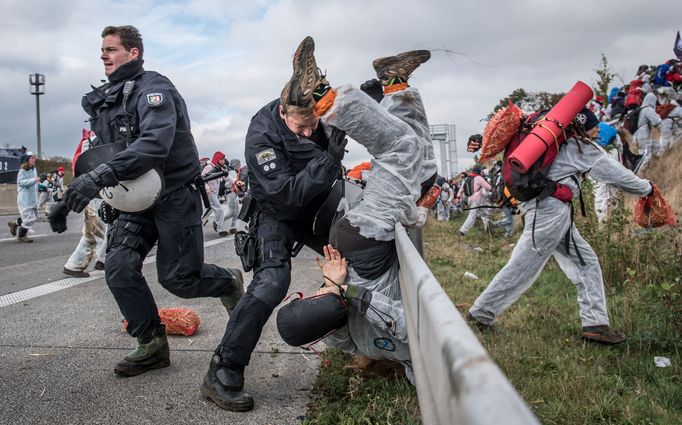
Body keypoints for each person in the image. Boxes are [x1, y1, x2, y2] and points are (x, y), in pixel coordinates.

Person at [48, 25, 244, 378]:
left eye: (111, 49)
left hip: (173, 196)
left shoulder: (155, 90)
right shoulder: (108, 101)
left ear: (134, 53)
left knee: (179, 279)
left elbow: (154, 144)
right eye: (102, 50)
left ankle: (228, 282)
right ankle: (152, 345)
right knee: (119, 266)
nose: (103, 55)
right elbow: (106, 156)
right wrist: (73, 197)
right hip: (134, 202)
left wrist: (99, 179)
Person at [200, 36, 347, 412]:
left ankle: (367, 344)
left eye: (313, 124)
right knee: (271, 283)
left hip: (321, 206)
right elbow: (284, 194)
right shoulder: (261, 133)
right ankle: (223, 370)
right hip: (277, 211)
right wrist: (329, 159)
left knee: (360, 254)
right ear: (284, 110)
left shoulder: (322, 113)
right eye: (300, 126)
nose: (306, 132)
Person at [277, 45, 437, 385]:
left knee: (400, 149)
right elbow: (326, 326)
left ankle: (319, 95)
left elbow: (410, 331)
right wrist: (332, 287)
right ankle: (394, 80)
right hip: (351, 240)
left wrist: (338, 289)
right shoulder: (350, 344)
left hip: (367, 242)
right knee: (423, 170)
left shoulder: (392, 350)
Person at [467, 108, 654, 344]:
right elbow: (617, 174)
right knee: (522, 266)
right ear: (582, 126)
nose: (598, 129)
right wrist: (647, 188)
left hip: (549, 210)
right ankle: (480, 313)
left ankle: (595, 323)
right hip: (550, 213)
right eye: (594, 125)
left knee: (586, 262)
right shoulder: (580, 147)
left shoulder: (560, 143)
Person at [63, 198, 107, 278]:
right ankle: (74, 265)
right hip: (101, 198)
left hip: (103, 198)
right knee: (94, 235)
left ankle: (102, 258)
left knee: (109, 231)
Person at [7, 152, 40, 243]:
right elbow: (20, 182)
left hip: (33, 197)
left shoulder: (34, 170)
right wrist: (34, 180)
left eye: (35, 158)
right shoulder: (22, 171)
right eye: (32, 158)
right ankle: (21, 236)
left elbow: (35, 183)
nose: (34, 159)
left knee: (33, 216)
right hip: (25, 198)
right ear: (27, 160)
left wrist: (42, 186)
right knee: (29, 218)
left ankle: (15, 223)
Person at [456, 165, 492, 235]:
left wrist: (457, 197)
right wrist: (491, 188)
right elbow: (488, 187)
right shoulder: (479, 178)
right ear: (479, 171)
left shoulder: (467, 179)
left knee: (485, 214)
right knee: (472, 215)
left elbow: (461, 190)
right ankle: (463, 230)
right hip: (477, 199)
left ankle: (488, 229)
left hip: (470, 199)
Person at [633, 92, 662, 173]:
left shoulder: (641, 108)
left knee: (657, 147)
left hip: (639, 135)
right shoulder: (647, 109)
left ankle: (659, 167)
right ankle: (639, 174)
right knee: (646, 157)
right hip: (643, 136)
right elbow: (657, 121)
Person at [202, 151, 229, 237]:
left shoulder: (219, 168)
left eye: (223, 159)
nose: (223, 161)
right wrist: (207, 188)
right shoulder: (209, 167)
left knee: (205, 212)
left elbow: (228, 177)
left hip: (213, 193)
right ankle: (220, 230)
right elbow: (202, 178)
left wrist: (236, 182)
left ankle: (194, 229)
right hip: (209, 193)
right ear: (217, 160)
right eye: (222, 159)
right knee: (219, 210)